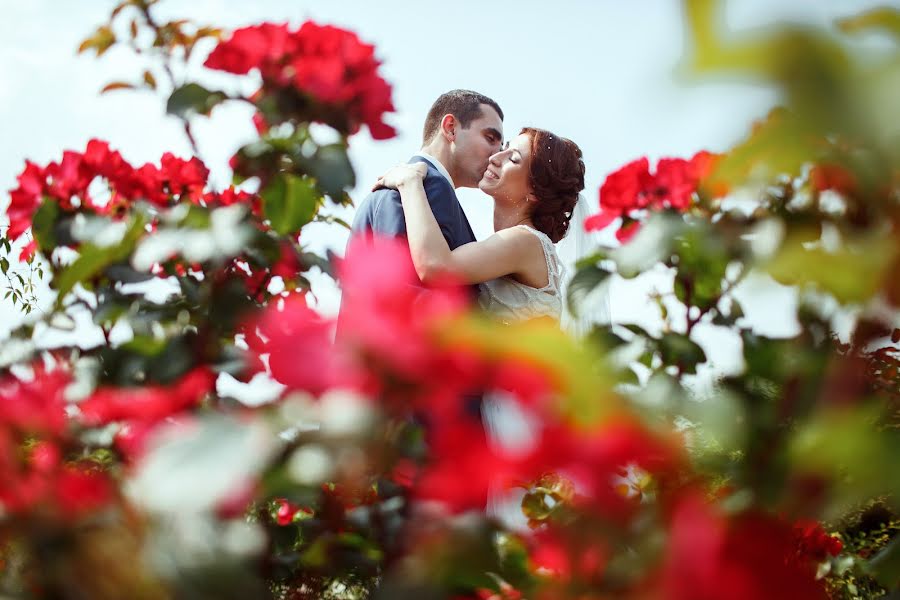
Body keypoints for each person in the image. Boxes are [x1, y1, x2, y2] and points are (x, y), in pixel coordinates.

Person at [375, 127, 586, 323]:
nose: (495, 158)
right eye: (504, 149)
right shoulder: (512, 244)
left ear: (535, 191)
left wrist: (410, 182)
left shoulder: (526, 240)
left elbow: (436, 267)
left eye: (512, 159)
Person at [350, 89, 504, 255]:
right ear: (451, 128)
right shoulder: (430, 187)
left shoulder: (410, 185)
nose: (499, 155)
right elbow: (399, 277)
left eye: (501, 147)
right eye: (490, 138)